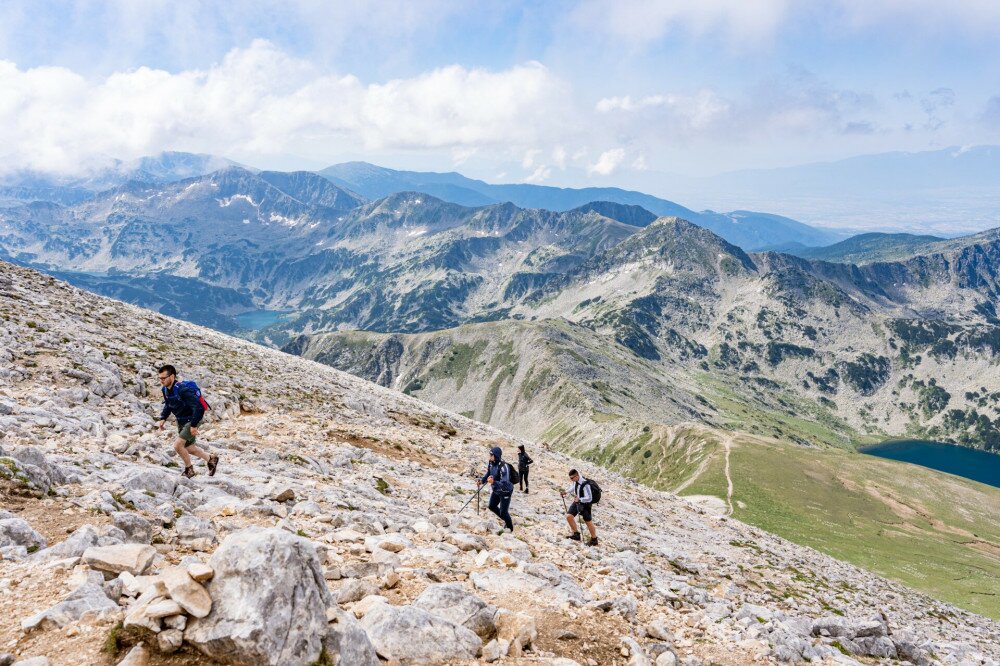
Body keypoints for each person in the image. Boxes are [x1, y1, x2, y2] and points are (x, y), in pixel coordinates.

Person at [156, 364, 218, 478]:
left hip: (192, 419)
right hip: (181, 420)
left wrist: (193, 425)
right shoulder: (165, 390)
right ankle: (211, 459)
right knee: (189, 448)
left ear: (172, 376)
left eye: (164, 378)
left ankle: (189, 470)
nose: (161, 381)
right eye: (160, 378)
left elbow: (199, 407)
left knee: (178, 446)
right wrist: (163, 417)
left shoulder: (183, 390)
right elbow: (169, 404)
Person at [479, 446, 514, 534]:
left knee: (503, 512)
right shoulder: (491, 463)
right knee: (491, 506)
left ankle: (510, 527)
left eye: (491, 455)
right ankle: (506, 519)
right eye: (490, 454)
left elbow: (505, 483)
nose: (489, 456)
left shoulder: (504, 466)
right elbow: (489, 473)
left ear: (496, 456)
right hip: (496, 489)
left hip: (505, 491)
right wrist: (482, 481)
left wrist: (493, 482)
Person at [561, 468, 598, 546]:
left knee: (588, 521)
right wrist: (566, 492)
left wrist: (580, 499)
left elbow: (590, 498)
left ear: (577, 476)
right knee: (569, 516)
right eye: (570, 478)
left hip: (585, 504)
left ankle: (594, 540)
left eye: (572, 478)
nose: (571, 480)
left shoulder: (585, 484)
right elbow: (573, 487)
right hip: (577, 501)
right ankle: (576, 535)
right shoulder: (576, 481)